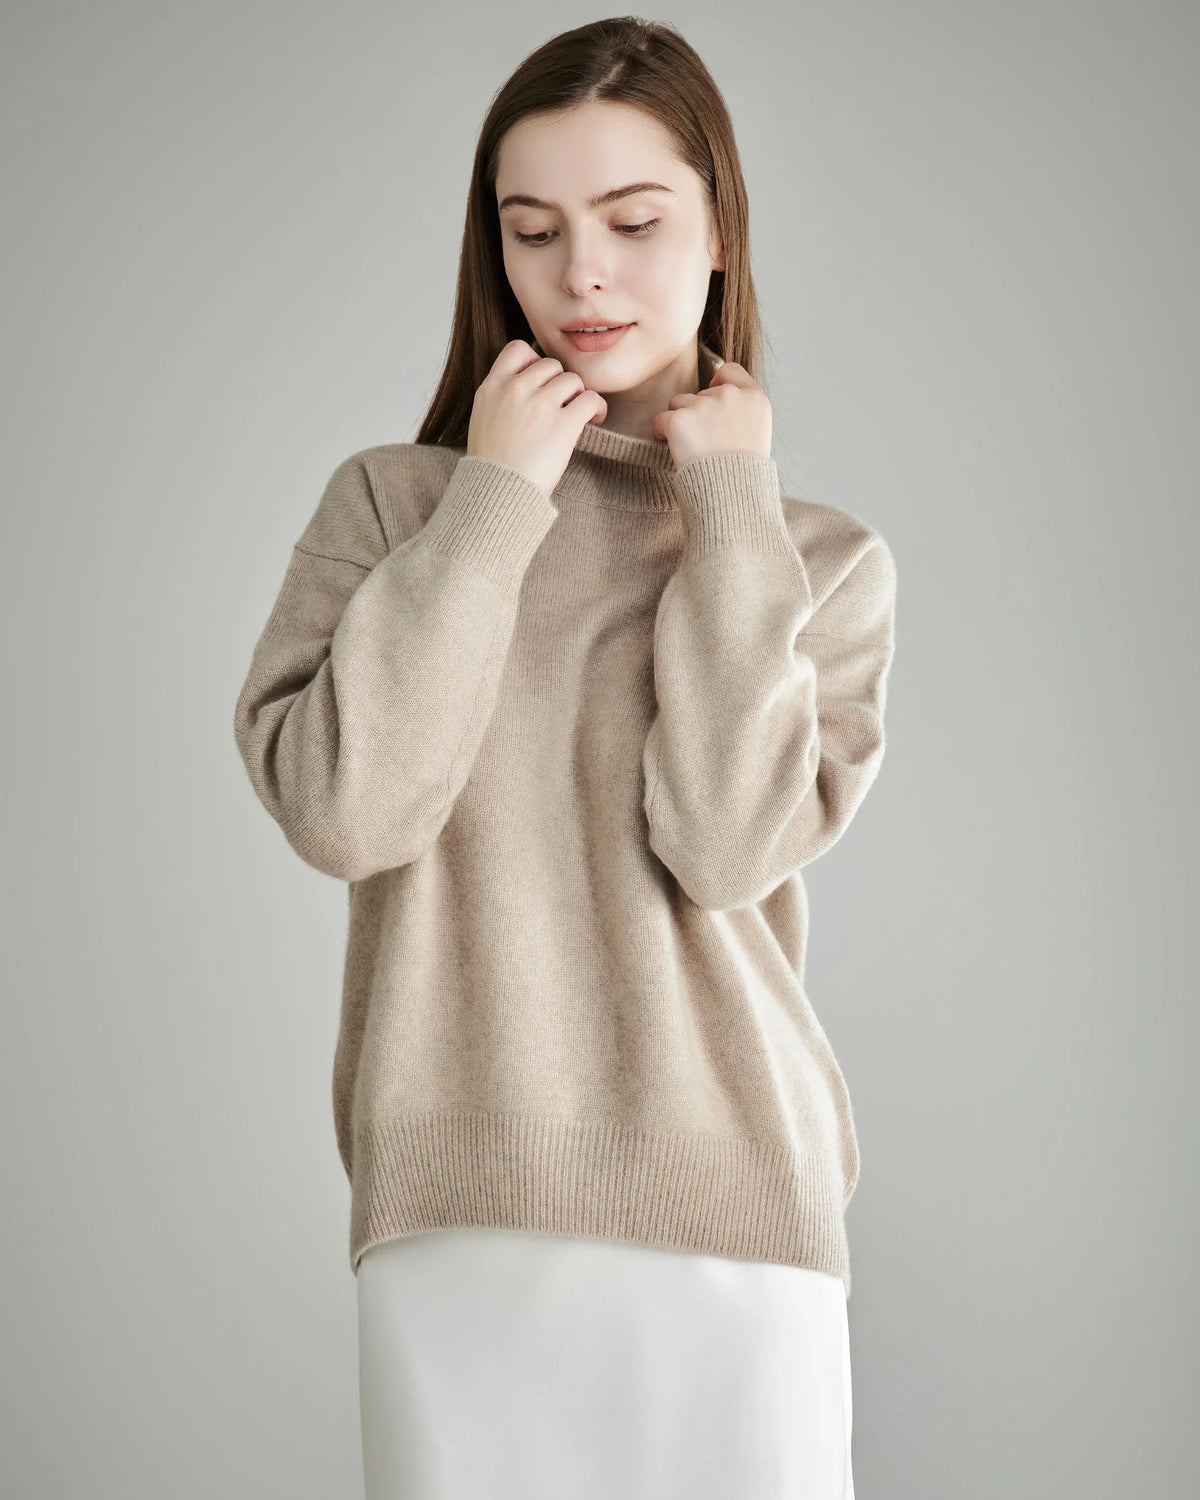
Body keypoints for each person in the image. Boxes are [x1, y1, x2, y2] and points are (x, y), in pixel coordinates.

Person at [233, 17, 896, 1499]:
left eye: (633, 223)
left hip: (739, 1215)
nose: (581, 273)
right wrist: (493, 503)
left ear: (718, 233)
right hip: (458, 1213)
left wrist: (731, 513)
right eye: (533, 231)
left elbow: (725, 844)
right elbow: (348, 811)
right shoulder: (398, 507)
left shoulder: (819, 560)